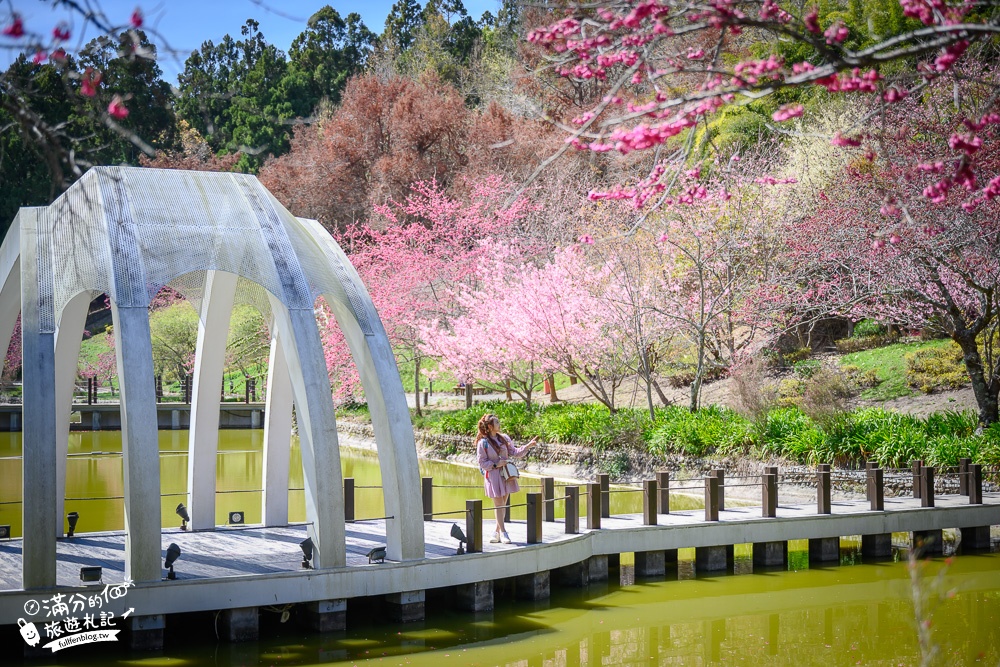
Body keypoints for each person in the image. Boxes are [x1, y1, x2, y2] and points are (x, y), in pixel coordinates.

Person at [475, 413, 539, 544]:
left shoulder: (504, 438)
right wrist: (495, 464)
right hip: (493, 476)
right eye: (497, 422)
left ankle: (496, 532)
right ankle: (504, 533)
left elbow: (515, 452)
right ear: (490, 426)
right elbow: (481, 462)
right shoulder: (483, 443)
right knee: (499, 505)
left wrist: (528, 446)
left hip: (506, 475)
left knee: (502, 505)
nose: (499, 424)